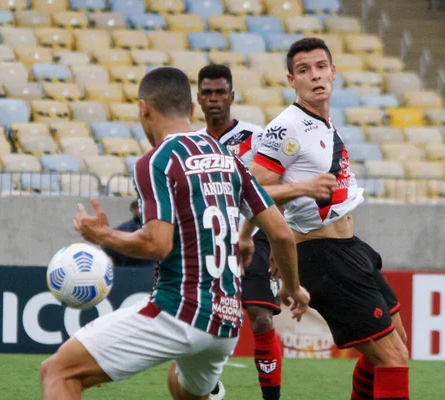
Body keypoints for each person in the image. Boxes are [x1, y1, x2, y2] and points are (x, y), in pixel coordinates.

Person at [39, 67, 311, 400]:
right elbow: (282, 234)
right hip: (226, 321)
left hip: (179, 312)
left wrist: (104, 236)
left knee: (58, 371)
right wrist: (293, 288)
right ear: (192, 109)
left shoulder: (158, 160)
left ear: (144, 108)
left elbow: (156, 243)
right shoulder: (229, 157)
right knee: (182, 388)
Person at [241, 38, 410, 400]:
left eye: (321, 67)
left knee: (398, 343)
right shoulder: (286, 127)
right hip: (323, 256)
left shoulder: (323, 123)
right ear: (291, 80)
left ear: (333, 72)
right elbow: (251, 190)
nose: (315, 76)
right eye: (304, 71)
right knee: (393, 361)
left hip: (350, 247)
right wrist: (299, 193)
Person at [195, 64, 281, 400]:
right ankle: (209, 387)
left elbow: (275, 189)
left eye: (220, 92)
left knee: (260, 318)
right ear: (198, 99)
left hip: (253, 234)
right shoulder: (191, 143)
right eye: (207, 93)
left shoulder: (256, 138)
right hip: (206, 239)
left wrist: (276, 237)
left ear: (232, 96)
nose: (214, 99)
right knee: (194, 321)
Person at [102, 200, 154, 267]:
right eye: (135, 208)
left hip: (149, 269)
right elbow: (107, 245)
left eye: (139, 208)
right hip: (128, 269)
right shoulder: (125, 228)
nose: (137, 211)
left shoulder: (154, 227)